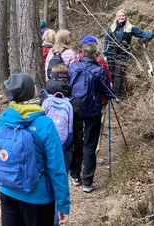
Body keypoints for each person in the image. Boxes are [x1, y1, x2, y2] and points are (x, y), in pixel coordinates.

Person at [0, 74, 70, 226]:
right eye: (33, 85)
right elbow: (56, 168)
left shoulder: (4, 118)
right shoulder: (45, 123)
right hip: (38, 198)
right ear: (29, 92)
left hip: (8, 190)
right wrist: (63, 203)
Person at [68, 43, 115, 193]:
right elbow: (107, 91)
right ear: (95, 55)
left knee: (76, 141)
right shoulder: (98, 71)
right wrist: (111, 95)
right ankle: (87, 181)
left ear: (82, 53)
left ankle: (75, 175)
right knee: (90, 144)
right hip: (92, 111)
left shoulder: (73, 67)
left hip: (75, 108)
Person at [39, 65, 82, 226]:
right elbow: (78, 135)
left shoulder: (42, 97)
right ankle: (56, 220)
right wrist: (77, 166)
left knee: (43, 184)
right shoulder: (74, 102)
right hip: (64, 149)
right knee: (59, 182)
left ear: (51, 76)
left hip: (42, 149)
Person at [103, 10, 154, 98]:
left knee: (118, 74)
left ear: (125, 17)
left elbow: (141, 33)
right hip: (111, 53)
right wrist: (105, 52)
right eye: (119, 16)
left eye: (123, 16)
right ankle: (111, 92)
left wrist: (152, 34)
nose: (121, 17)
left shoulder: (130, 28)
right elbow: (106, 40)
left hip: (122, 54)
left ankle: (116, 94)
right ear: (117, 17)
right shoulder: (112, 28)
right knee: (111, 73)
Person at [77, 36, 112, 159]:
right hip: (96, 103)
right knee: (94, 131)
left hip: (77, 103)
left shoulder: (75, 63)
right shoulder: (100, 62)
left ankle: (79, 156)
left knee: (80, 129)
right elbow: (107, 82)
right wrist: (109, 94)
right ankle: (93, 153)